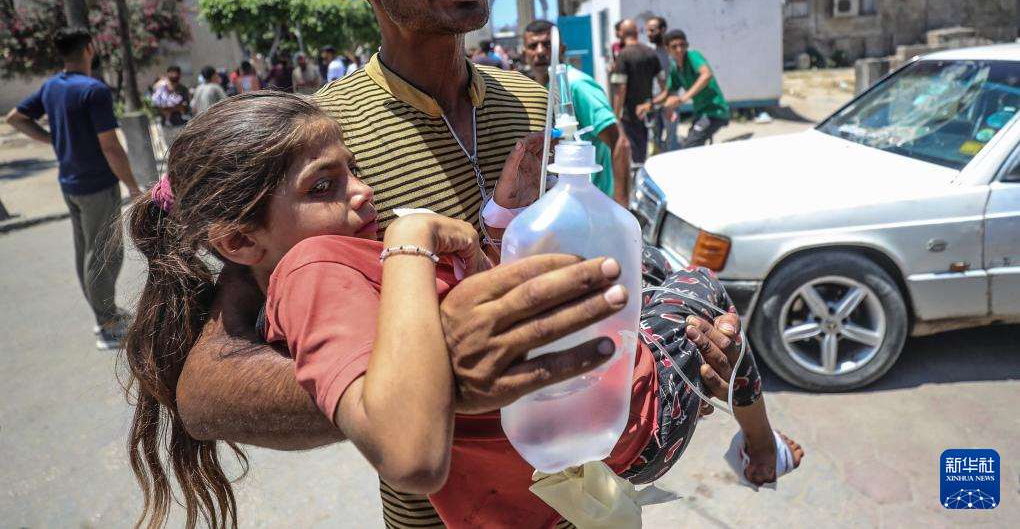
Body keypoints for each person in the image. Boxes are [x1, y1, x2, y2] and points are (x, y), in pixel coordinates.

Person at [172, 0, 769, 527]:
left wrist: (682, 341)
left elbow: (585, 274)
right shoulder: (318, 148)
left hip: (589, 488)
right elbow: (203, 388)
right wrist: (430, 374)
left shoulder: (535, 104)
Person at [125, 92, 801, 529]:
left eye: (353, 169)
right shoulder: (317, 268)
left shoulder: (351, 258)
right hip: (629, 424)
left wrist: (499, 220)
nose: (362, 193)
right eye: (325, 185)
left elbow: (471, 298)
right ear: (239, 242)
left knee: (648, 267)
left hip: (571, 461)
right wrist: (411, 237)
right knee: (700, 288)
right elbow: (409, 448)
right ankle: (761, 448)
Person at [5, 26, 141, 349]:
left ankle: (103, 316)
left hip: (71, 184)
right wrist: (133, 186)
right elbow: (111, 147)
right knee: (104, 253)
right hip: (97, 186)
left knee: (88, 252)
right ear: (90, 48)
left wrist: (53, 140)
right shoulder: (94, 91)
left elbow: (14, 118)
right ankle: (108, 324)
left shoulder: (52, 87)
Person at [522, 19, 632, 206]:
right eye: (533, 46)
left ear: (562, 49)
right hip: (566, 205)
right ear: (525, 53)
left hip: (594, 205)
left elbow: (620, 142)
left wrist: (622, 206)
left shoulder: (577, 85)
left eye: (547, 44)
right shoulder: (537, 89)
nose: (540, 51)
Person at [639, 29, 731, 149]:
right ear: (667, 49)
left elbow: (707, 75)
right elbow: (667, 93)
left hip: (715, 112)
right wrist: (649, 104)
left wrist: (683, 99)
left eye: (682, 45)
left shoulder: (693, 56)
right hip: (700, 113)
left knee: (690, 146)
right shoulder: (674, 67)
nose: (679, 49)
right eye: (674, 46)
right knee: (690, 145)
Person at [610, 19, 662, 164]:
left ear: (621, 33)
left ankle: (637, 174)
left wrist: (616, 115)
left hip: (630, 113)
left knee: (633, 153)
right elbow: (663, 81)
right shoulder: (650, 52)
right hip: (648, 109)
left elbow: (621, 88)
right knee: (645, 147)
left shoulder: (624, 55)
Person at [646, 15, 677, 152]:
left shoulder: (672, 51)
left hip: (670, 99)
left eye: (652, 30)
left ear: (663, 29)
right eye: (648, 30)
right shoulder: (648, 50)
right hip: (652, 99)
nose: (649, 33)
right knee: (654, 137)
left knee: (671, 137)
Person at [152, 64, 190, 149]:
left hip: (180, 124)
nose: (174, 75)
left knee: (182, 148)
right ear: (168, 74)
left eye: (176, 73)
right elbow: (156, 105)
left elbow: (185, 106)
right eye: (172, 73)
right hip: (166, 125)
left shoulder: (182, 89)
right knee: (170, 148)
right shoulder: (161, 89)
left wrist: (169, 109)